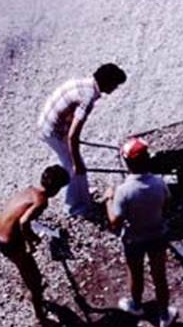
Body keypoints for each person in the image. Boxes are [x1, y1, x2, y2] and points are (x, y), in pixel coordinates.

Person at [37, 63, 127, 216]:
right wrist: (77, 163)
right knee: (74, 166)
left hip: (46, 122)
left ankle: (82, 194)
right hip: (52, 131)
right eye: (115, 85)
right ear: (108, 82)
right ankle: (73, 207)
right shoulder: (88, 98)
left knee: (75, 164)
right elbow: (73, 136)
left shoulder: (82, 83)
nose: (115, 89)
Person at [107, 137, 178, 327]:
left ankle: (136, 305)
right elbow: (167, 204)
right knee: (159, 275)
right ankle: (164, 315)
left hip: (134, 239)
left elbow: (115, 221)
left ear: (127, 162)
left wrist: (108, 200)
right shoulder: (159, 182)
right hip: (157, 235)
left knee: (135, 273)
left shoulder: (123, 191)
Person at [0, 165, 70, 324]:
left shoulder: (30, 190)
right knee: (36, 281)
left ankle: (33, 291)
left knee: (25, 269)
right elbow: (24, 221)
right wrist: (31, 241)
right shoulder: (42, 201)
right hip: (10, 243)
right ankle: (41, 318)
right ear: (55, 189)